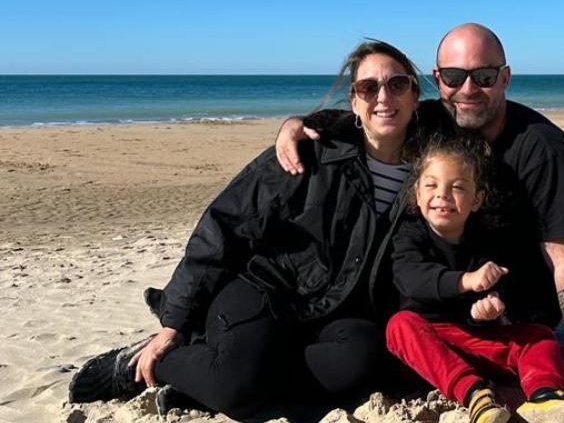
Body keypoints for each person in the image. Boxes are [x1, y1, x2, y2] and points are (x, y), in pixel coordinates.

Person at [276, 23, 564, 401]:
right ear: (438, 78)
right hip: (437, 307)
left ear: (506, 77)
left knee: (533, 343)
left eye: (484, 76)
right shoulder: (433, 121)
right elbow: (371, 119)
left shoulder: (545, 151)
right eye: (455, 77)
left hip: (511, 316)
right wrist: (300, 124)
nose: (468, 90)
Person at [68, 40, 423, 421]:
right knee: (236, 385)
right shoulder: (311, 152)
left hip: (337, 312)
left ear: (415, 95)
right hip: (266, 289)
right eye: (369, 87)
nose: (384, 97)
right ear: (354, 102)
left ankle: (208, 387)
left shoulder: (432, 163)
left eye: (397, 84)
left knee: (363, 364)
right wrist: (174, 323)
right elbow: (225, 225)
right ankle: (144, 364)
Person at [386, 133, 564, 423]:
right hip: (434, 346)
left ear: (477, 199)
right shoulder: (410, 236)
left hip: (477, 342)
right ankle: (476, 396)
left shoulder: (485, 239)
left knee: (539, 335)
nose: (443, 195)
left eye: (458, 187)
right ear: (417, 194)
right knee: (399, 326)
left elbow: (501, 287)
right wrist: (466, 281)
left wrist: (486, 307)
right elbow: (412, 279)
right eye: (431, 185)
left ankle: (546, 396)